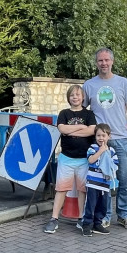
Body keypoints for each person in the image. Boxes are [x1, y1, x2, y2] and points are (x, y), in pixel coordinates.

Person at [83, 47, 127, 230]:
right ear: (96, 63)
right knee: (104, 182)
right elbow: (83, 110)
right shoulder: (89, 85)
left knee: (126, 181)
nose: (104, 63)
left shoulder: (123, 83)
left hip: (122, 138)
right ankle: (104, 216)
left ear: (112, 61)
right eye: (100, 61)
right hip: (101, 141)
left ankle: (124, 215)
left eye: (106, 60)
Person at [43, 85, 96, 234]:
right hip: (66, 158)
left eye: (78, 95)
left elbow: (91, 130)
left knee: (82, 190)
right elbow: (62, 129)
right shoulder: (64, 113)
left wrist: (72, 129)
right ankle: (54, 218)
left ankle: (81, 218)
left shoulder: (89, 114)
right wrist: (81, 128)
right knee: (61, 188)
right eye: (72, 95)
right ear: (68, 97)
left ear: (83, 97)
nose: (75, 97)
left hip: (84, 159)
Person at [82, 124, 119, 236]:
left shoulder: (112, 151)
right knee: (90, 205)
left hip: (104, 184)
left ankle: (97, 224)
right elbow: (91, 160)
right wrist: (101, 151)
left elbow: (115, 166)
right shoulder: (92, 148)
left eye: (103, 135)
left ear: (109, 136)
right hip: (93, 183)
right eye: (98, 135)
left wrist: (106, 153)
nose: (101, 138)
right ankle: (86, 225)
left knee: (102, 205)